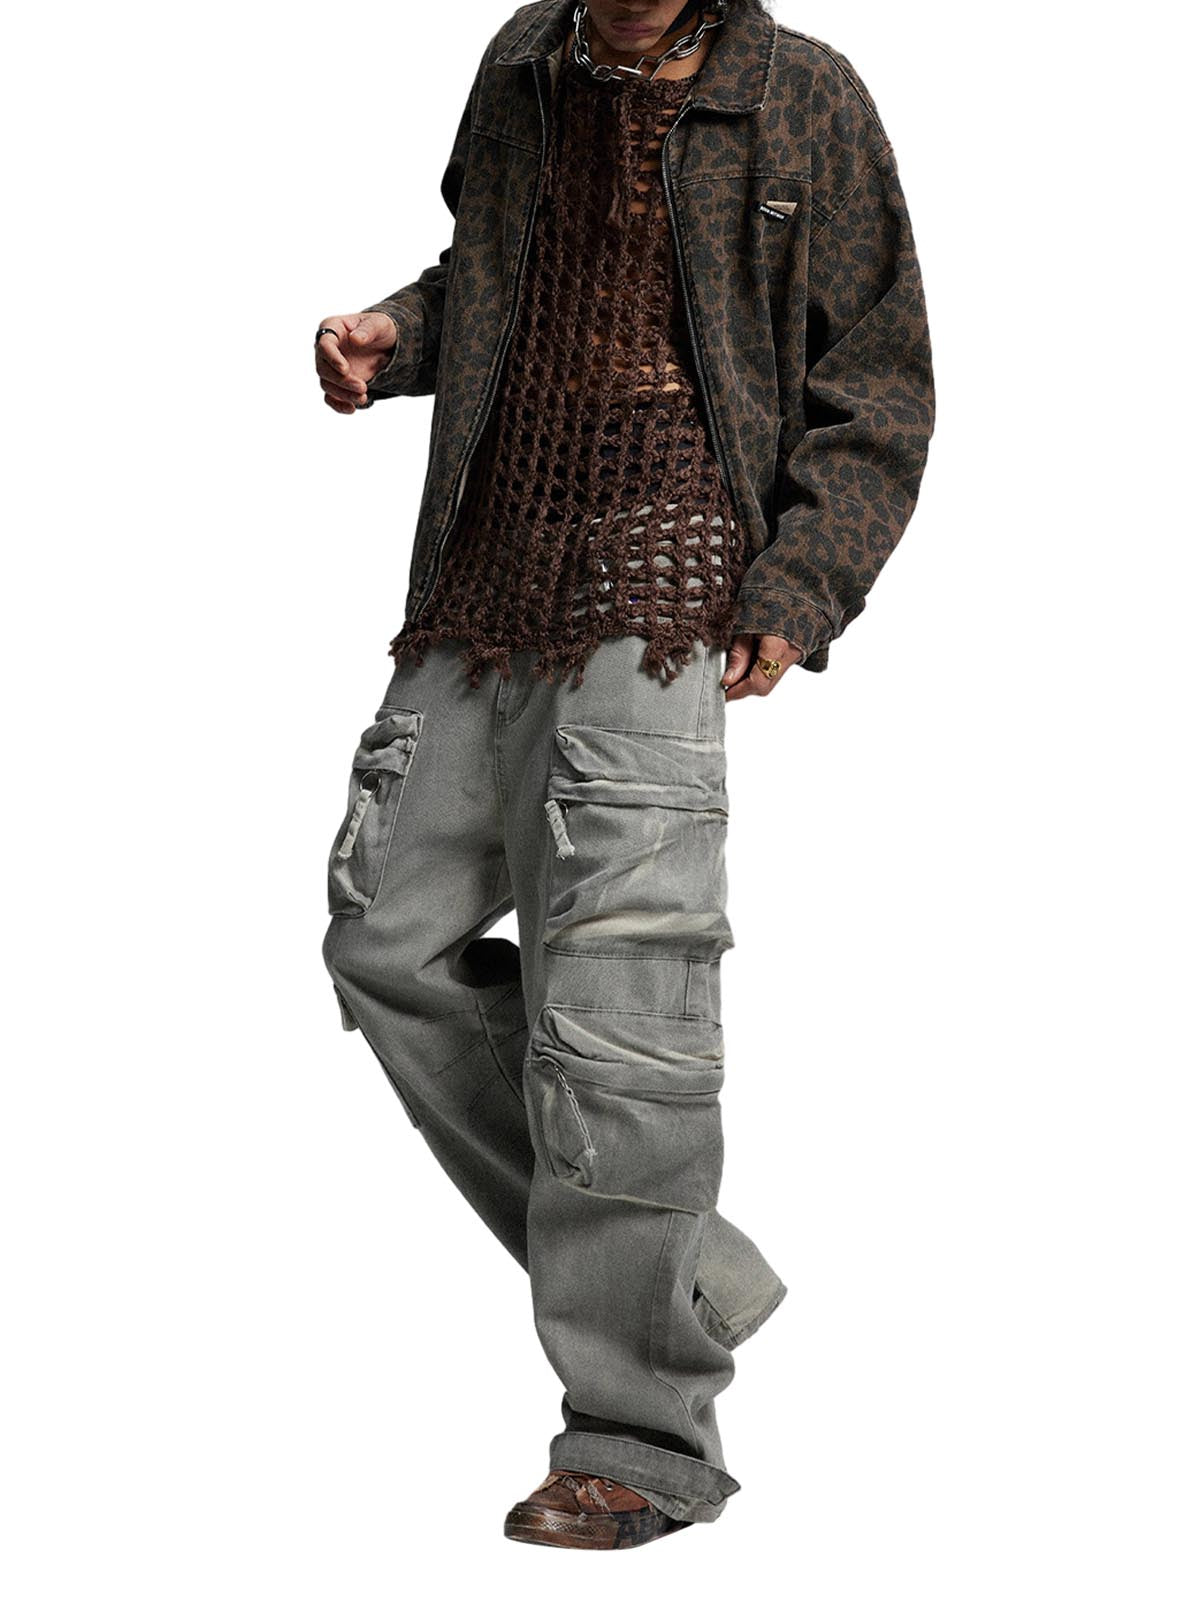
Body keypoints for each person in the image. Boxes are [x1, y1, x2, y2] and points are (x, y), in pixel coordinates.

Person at [314, 0, 934, 1550]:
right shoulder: (525, 62)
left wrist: (803, 584)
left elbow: (879, 375)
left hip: (667, 581)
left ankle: (642, 1442)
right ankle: (679, 1271)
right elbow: (497, 280)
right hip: (490, 567)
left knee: (621, 1013)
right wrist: (401, 335)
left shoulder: (803, 96)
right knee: (383, 942)